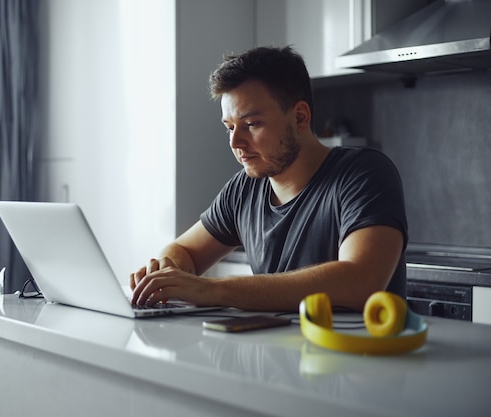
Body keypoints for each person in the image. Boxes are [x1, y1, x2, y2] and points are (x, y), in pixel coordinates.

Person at [130, 46, 407, 313]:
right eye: (229, 127)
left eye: (251, 125)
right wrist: (167, 270)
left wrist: (213, 290)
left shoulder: (363, 174)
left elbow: (360, 282)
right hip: (278, 357)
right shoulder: (243, 188)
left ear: (300, 117)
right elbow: (185, 250)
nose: (235, 142)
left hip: (358, 357)